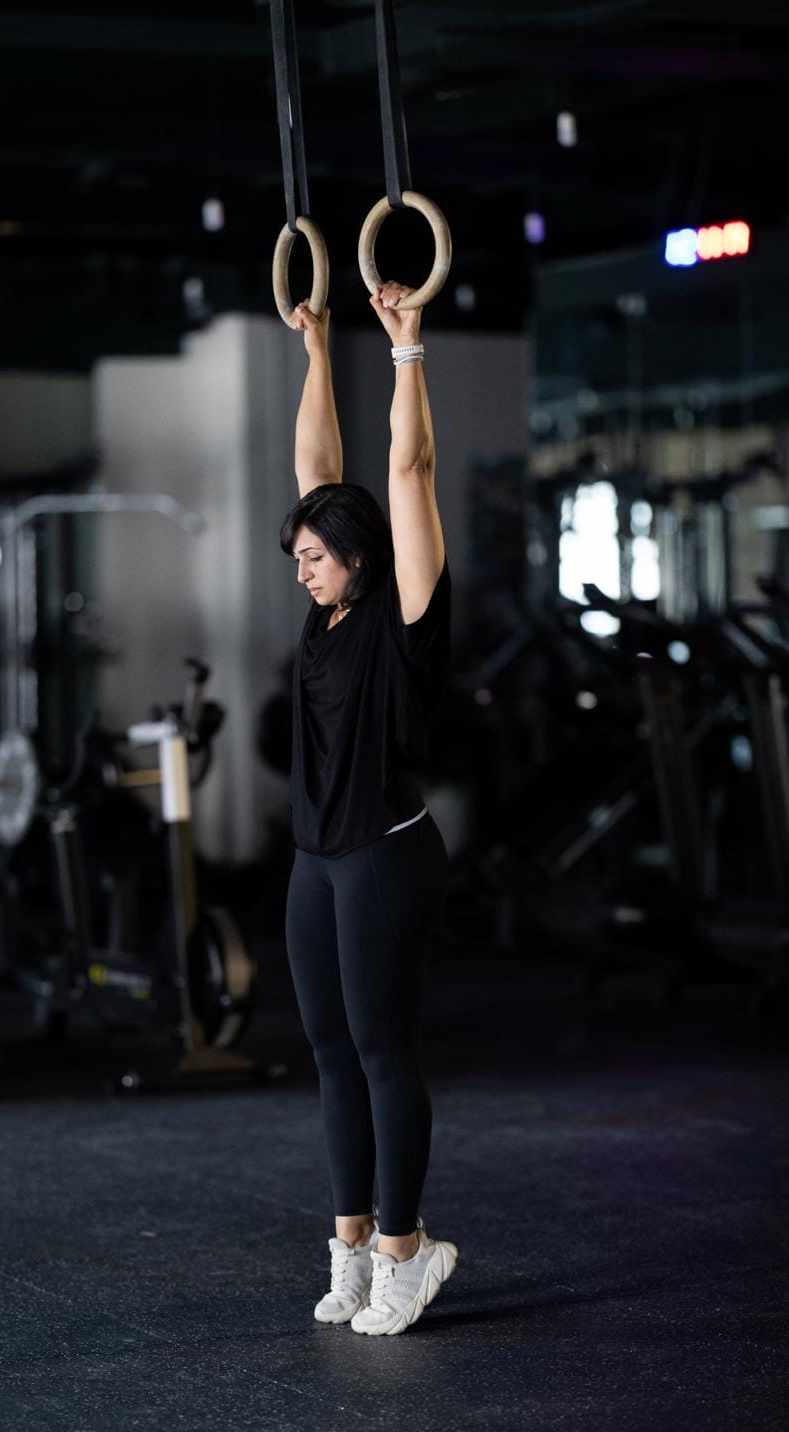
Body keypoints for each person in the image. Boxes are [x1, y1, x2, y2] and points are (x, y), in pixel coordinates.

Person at [282, 280, 457, 1337]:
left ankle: (406, 1248)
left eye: (311, 551)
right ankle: (350, 1246)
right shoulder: (327, 607)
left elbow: (406, 469)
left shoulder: (404, 614)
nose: (297, 566)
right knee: (329, 1049)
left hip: (387, 854)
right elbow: (318, 472)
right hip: (317, 857)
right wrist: (314, 344)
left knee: (386, 1050)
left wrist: (404, 349)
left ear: (357, 552)